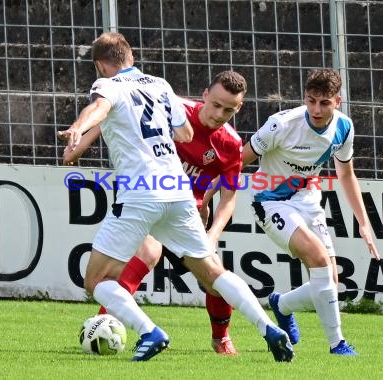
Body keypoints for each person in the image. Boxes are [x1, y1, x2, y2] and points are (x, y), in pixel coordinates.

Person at [58, 32, 293, 362]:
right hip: (178, 193)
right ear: (132, 58)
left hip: (141, 190)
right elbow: (184, 132)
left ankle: (150, 332)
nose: (218, 113)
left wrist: (77, 128)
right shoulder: (160, 85)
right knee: (213, 272)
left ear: (101, 66)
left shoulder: (108, 86)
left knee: (95, 279)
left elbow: (98, 108)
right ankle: (270, 328)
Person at [64, 70, 248, 356]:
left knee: (215, 281)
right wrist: (83, 141)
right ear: (205, 95)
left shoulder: (231, 144)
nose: (219, 114)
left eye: (228, 109)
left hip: (189, 213)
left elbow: (229, 197)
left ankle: (221, 338)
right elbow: (116, 111)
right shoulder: (173, 106)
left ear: (239, 108)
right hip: (150, 196)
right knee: (148, 252)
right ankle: (105, 322)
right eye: (216, 104)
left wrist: (213, 234)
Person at [242, 68, 380, 356]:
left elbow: (346, 175)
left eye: (324, 103)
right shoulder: (281, 125)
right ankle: (338, 345)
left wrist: (364, 223)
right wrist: (204, 194)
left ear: (337, 101)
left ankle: (281, 305)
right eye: (311, 100)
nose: (316, 109)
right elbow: (238, 160)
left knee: (330, 281)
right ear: (305, 97)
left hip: (308, 201)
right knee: (318, 258)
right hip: (270, 201)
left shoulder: (343, 127)